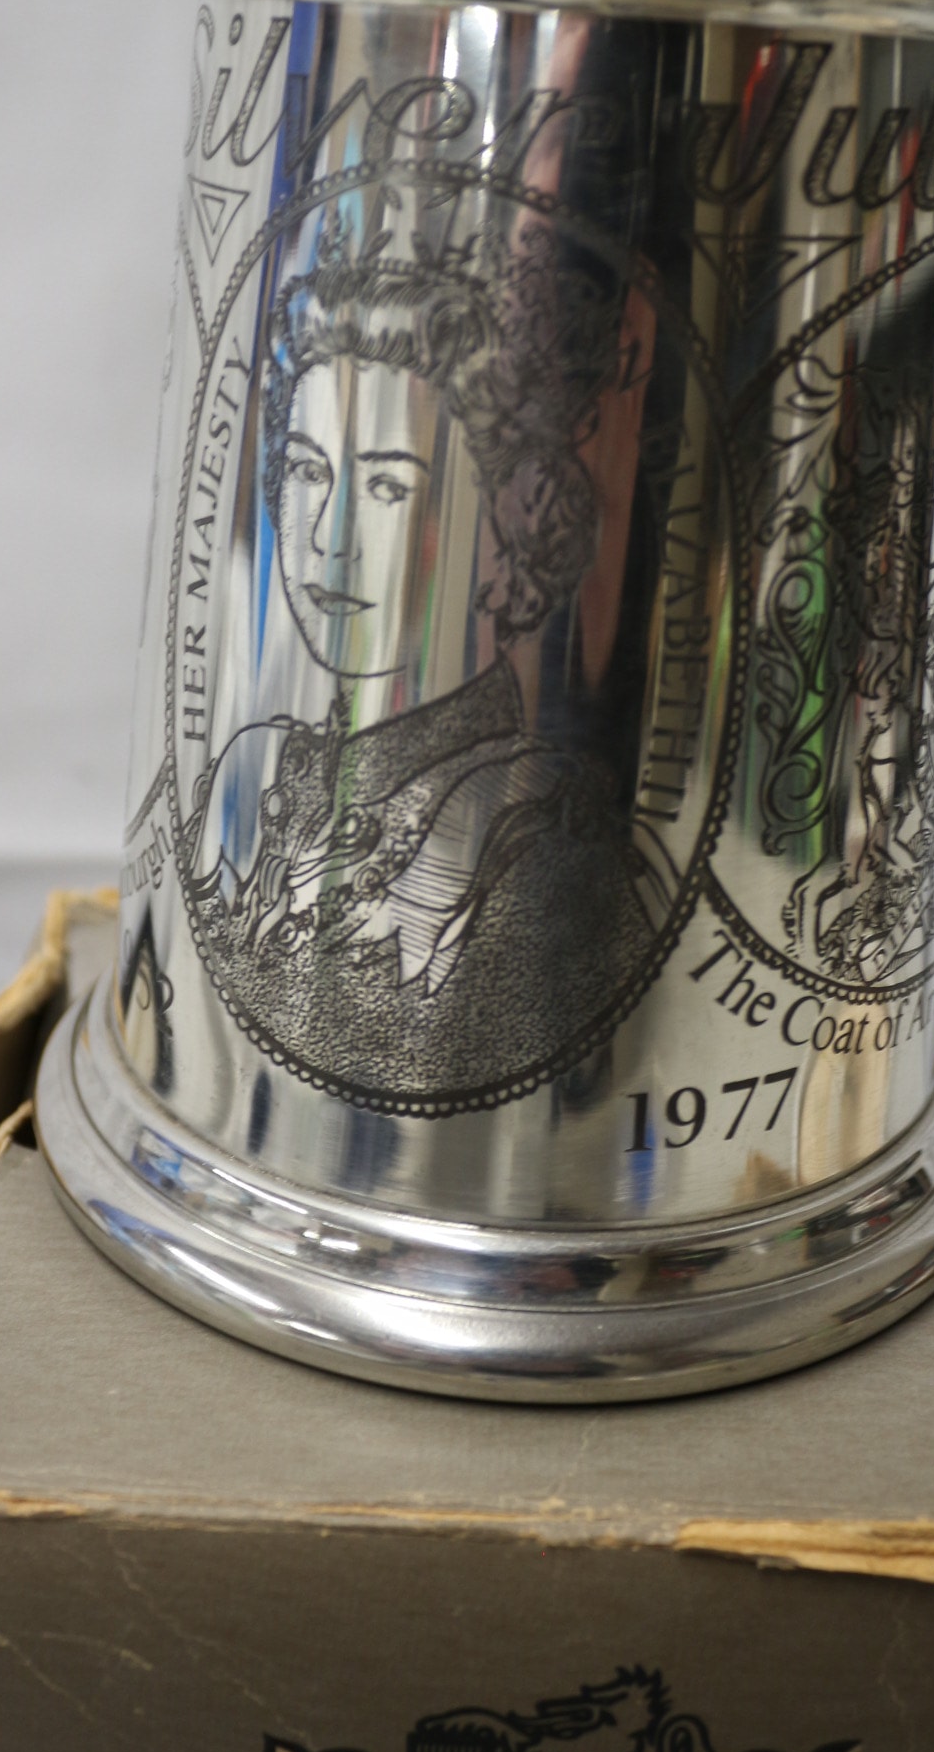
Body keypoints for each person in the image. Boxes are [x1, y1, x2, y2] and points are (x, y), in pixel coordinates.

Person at [186, 212, 671, 1106]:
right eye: (306, 471)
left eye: (387, 485)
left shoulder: (533, 843)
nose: (329, 536)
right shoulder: (259, 765)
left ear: (509, 524)